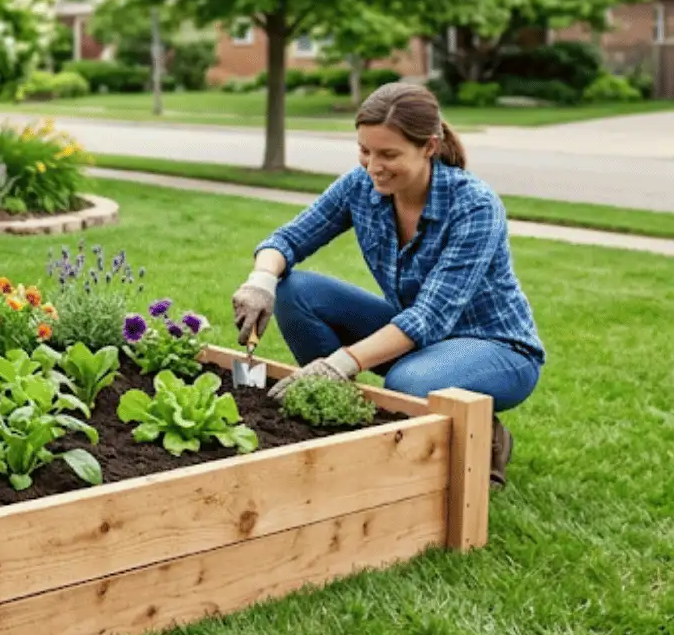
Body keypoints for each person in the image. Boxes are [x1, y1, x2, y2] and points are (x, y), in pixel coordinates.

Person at [230, 82, 542, 485]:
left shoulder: (474, 206)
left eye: (389, 154)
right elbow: (287, 240)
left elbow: (429, 316)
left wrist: (338, 362)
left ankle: (486, 432)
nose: (373, 165)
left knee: (408, 382)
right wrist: (261, 281)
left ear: (429, 146)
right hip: (420, 336)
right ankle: (341, 424)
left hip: (496, 346)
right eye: (364, 150)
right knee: (293, 290)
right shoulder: (362, 186)